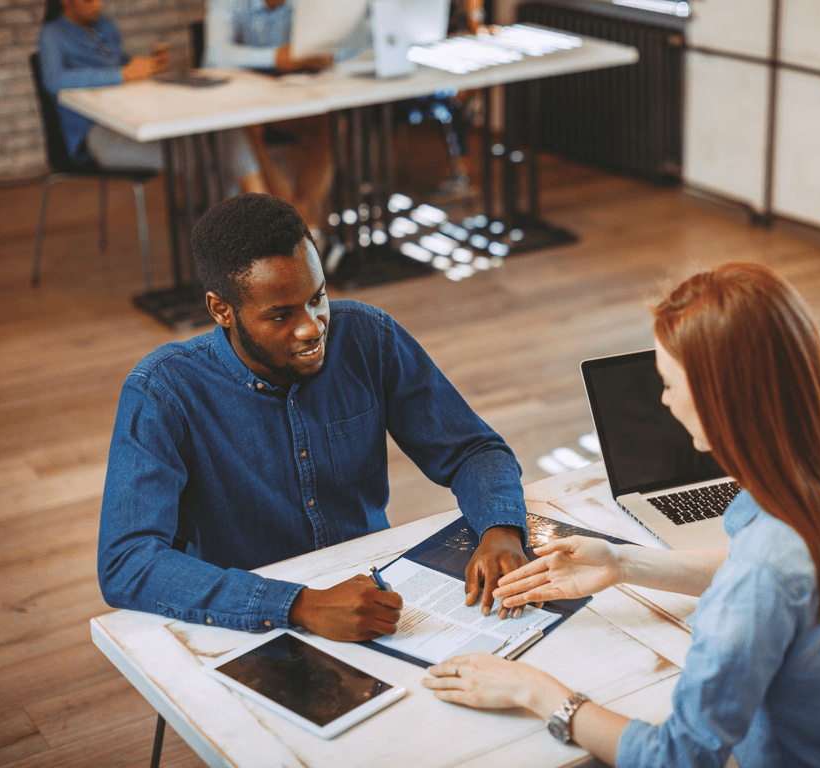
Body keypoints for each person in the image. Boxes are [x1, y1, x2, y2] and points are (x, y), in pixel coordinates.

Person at [423, 263, 820, 767]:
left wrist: (537, 691)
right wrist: (623, 564)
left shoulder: (766, 569)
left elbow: (679, 757)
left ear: (722, 399)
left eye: (669, 382)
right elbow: (777, 580)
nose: (664, 400)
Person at [97, 193, 529, 641]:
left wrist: (500, 527)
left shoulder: (366, 337)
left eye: (317, 297)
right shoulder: (163, 391)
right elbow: (127, 561)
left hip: (374, 600)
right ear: (221, 310)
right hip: (245, 623)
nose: (311, 327)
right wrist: (299, 605)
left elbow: (473, 448)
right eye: (281, 315)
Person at [36, 0, 267, 193]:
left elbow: (120, 65)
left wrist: (141, 66)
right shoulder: (52, 34)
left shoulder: (106, 25)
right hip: (95, 134)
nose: (97, 4)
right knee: (200, 154)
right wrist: (121, 74)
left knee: (226, 136)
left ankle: (242, 221)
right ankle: (224, 225)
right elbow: (55, 80)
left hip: (131, 119)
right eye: (88, 0)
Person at [202, 0, 343, 241]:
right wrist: (275, 58)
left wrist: (325, 53)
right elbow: (214, 55)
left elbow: (346, 41)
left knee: (335, 121)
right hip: (244, 107)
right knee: (248, 127)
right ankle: (303, 228)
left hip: (291, 101)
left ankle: (297, 224)